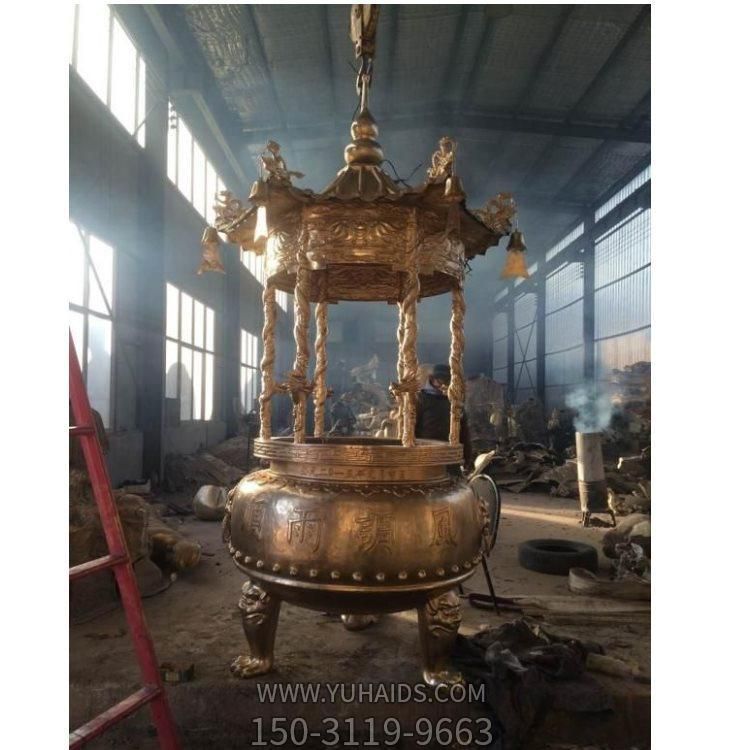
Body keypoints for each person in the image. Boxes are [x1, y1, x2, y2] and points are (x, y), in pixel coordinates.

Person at [414, 364, 472, 468]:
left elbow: (464, 432)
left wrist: (467, 457)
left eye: (447, 381)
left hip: (449, 455)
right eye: (440, 381)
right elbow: (412, 427)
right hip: (426, 454)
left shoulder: (455, 402)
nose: (443, 385)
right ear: (432, 379)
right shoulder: (421, 399)